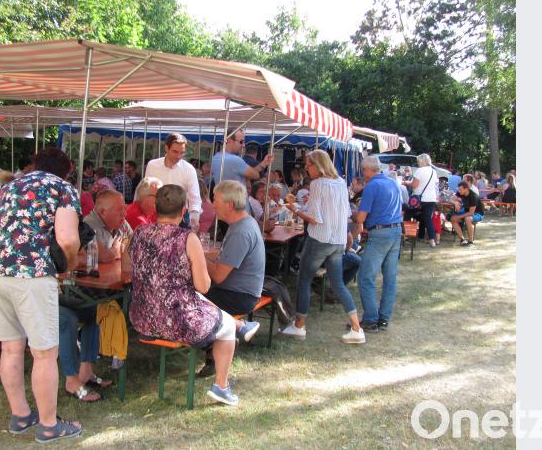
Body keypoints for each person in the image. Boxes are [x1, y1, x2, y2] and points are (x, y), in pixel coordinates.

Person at [0, 147, 84, 443]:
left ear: (35, 164)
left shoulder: (9, 187)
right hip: (32, 274)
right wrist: (71, 263)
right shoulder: (62, 188)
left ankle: (21, 414)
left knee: (10, 349)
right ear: (66, 170)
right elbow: (66, 238)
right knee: (44, 352)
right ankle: (49, 425)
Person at [128, 184, 243, 406]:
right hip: (178, 322)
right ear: (183, 211)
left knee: (217, 314)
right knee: (227, 325)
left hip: (141, 319)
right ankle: (221, 386)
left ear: (156, 207)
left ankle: (241, 328)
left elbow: (126, 266)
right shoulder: (187, 238)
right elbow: (203, 286)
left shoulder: (139, 233)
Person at [280, 150, 365, 344]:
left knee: (304, 279)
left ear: (317, 166)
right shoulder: (341, 182)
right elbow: (343, 213)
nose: (306, 169)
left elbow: (315, 219)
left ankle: (299, 326)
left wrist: (294, 209)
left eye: (308, 165)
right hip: (338, 240)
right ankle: (356, 328)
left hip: (319, 240)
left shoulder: (318, 184)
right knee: (337, 283)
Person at [197, 180, 264, 375]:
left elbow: (218, 275)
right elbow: (222, 256)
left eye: (215, 200)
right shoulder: (243, 222)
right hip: (240, 291)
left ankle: (221, 341)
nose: (213, 205)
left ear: (229, 204)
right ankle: (219, 347)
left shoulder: (241, 232)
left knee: (188, 302)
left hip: (239, 296)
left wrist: (197, 257)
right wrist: (196, 253)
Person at [349, 155, 403, 333]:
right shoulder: (393, 182)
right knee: (389, 278)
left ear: (366, 170)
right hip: (396, 231)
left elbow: (362, 218)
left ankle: (371, 320)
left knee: (366, 276)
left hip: (380, 233)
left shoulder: (371, 186)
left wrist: (352, 214)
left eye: (362, 171)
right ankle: (384, 318)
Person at [145, 133, 203, 231]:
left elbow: (195, 198)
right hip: (156, 217)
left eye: (182, 153)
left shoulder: (189, 169)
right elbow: (146, 191)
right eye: (175, 152)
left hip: (181, 220)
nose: (179, 156)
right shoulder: (152, 165)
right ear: (166, 148)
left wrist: (195, 218)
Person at [84, 190, 133, 263]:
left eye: (124, 208)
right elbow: (102, 256)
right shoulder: (89, 224)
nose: (124, 214)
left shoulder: (122, 222)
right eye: (119, 209)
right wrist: (116, 250)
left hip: (117, 272)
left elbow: (135, 244)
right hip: (94, 274)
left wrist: (123, 244)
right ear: (103, 212)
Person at [403, 153, 440, 248]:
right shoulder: (433, 171)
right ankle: (432, 240)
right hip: (431, 198)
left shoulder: (419, 171)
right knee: (427, 218)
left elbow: (414, 185)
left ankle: (406, 235)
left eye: (418, 161)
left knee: (407, 214)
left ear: (421, 161)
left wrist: (406, 182)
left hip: (419, 199)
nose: (417, 163)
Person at [450, 181, 484, 246]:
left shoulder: (473, 196)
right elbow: (451, 199)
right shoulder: (461, 192)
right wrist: (455, 203)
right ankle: (463, 240)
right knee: (452, 218)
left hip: (478, 213)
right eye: (459, 190)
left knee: (467, 219)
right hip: (466, 210)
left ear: (466, 189)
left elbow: (471, 213)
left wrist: (458, 217)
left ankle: (470, 241)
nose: (459, 191)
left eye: (460, 190)